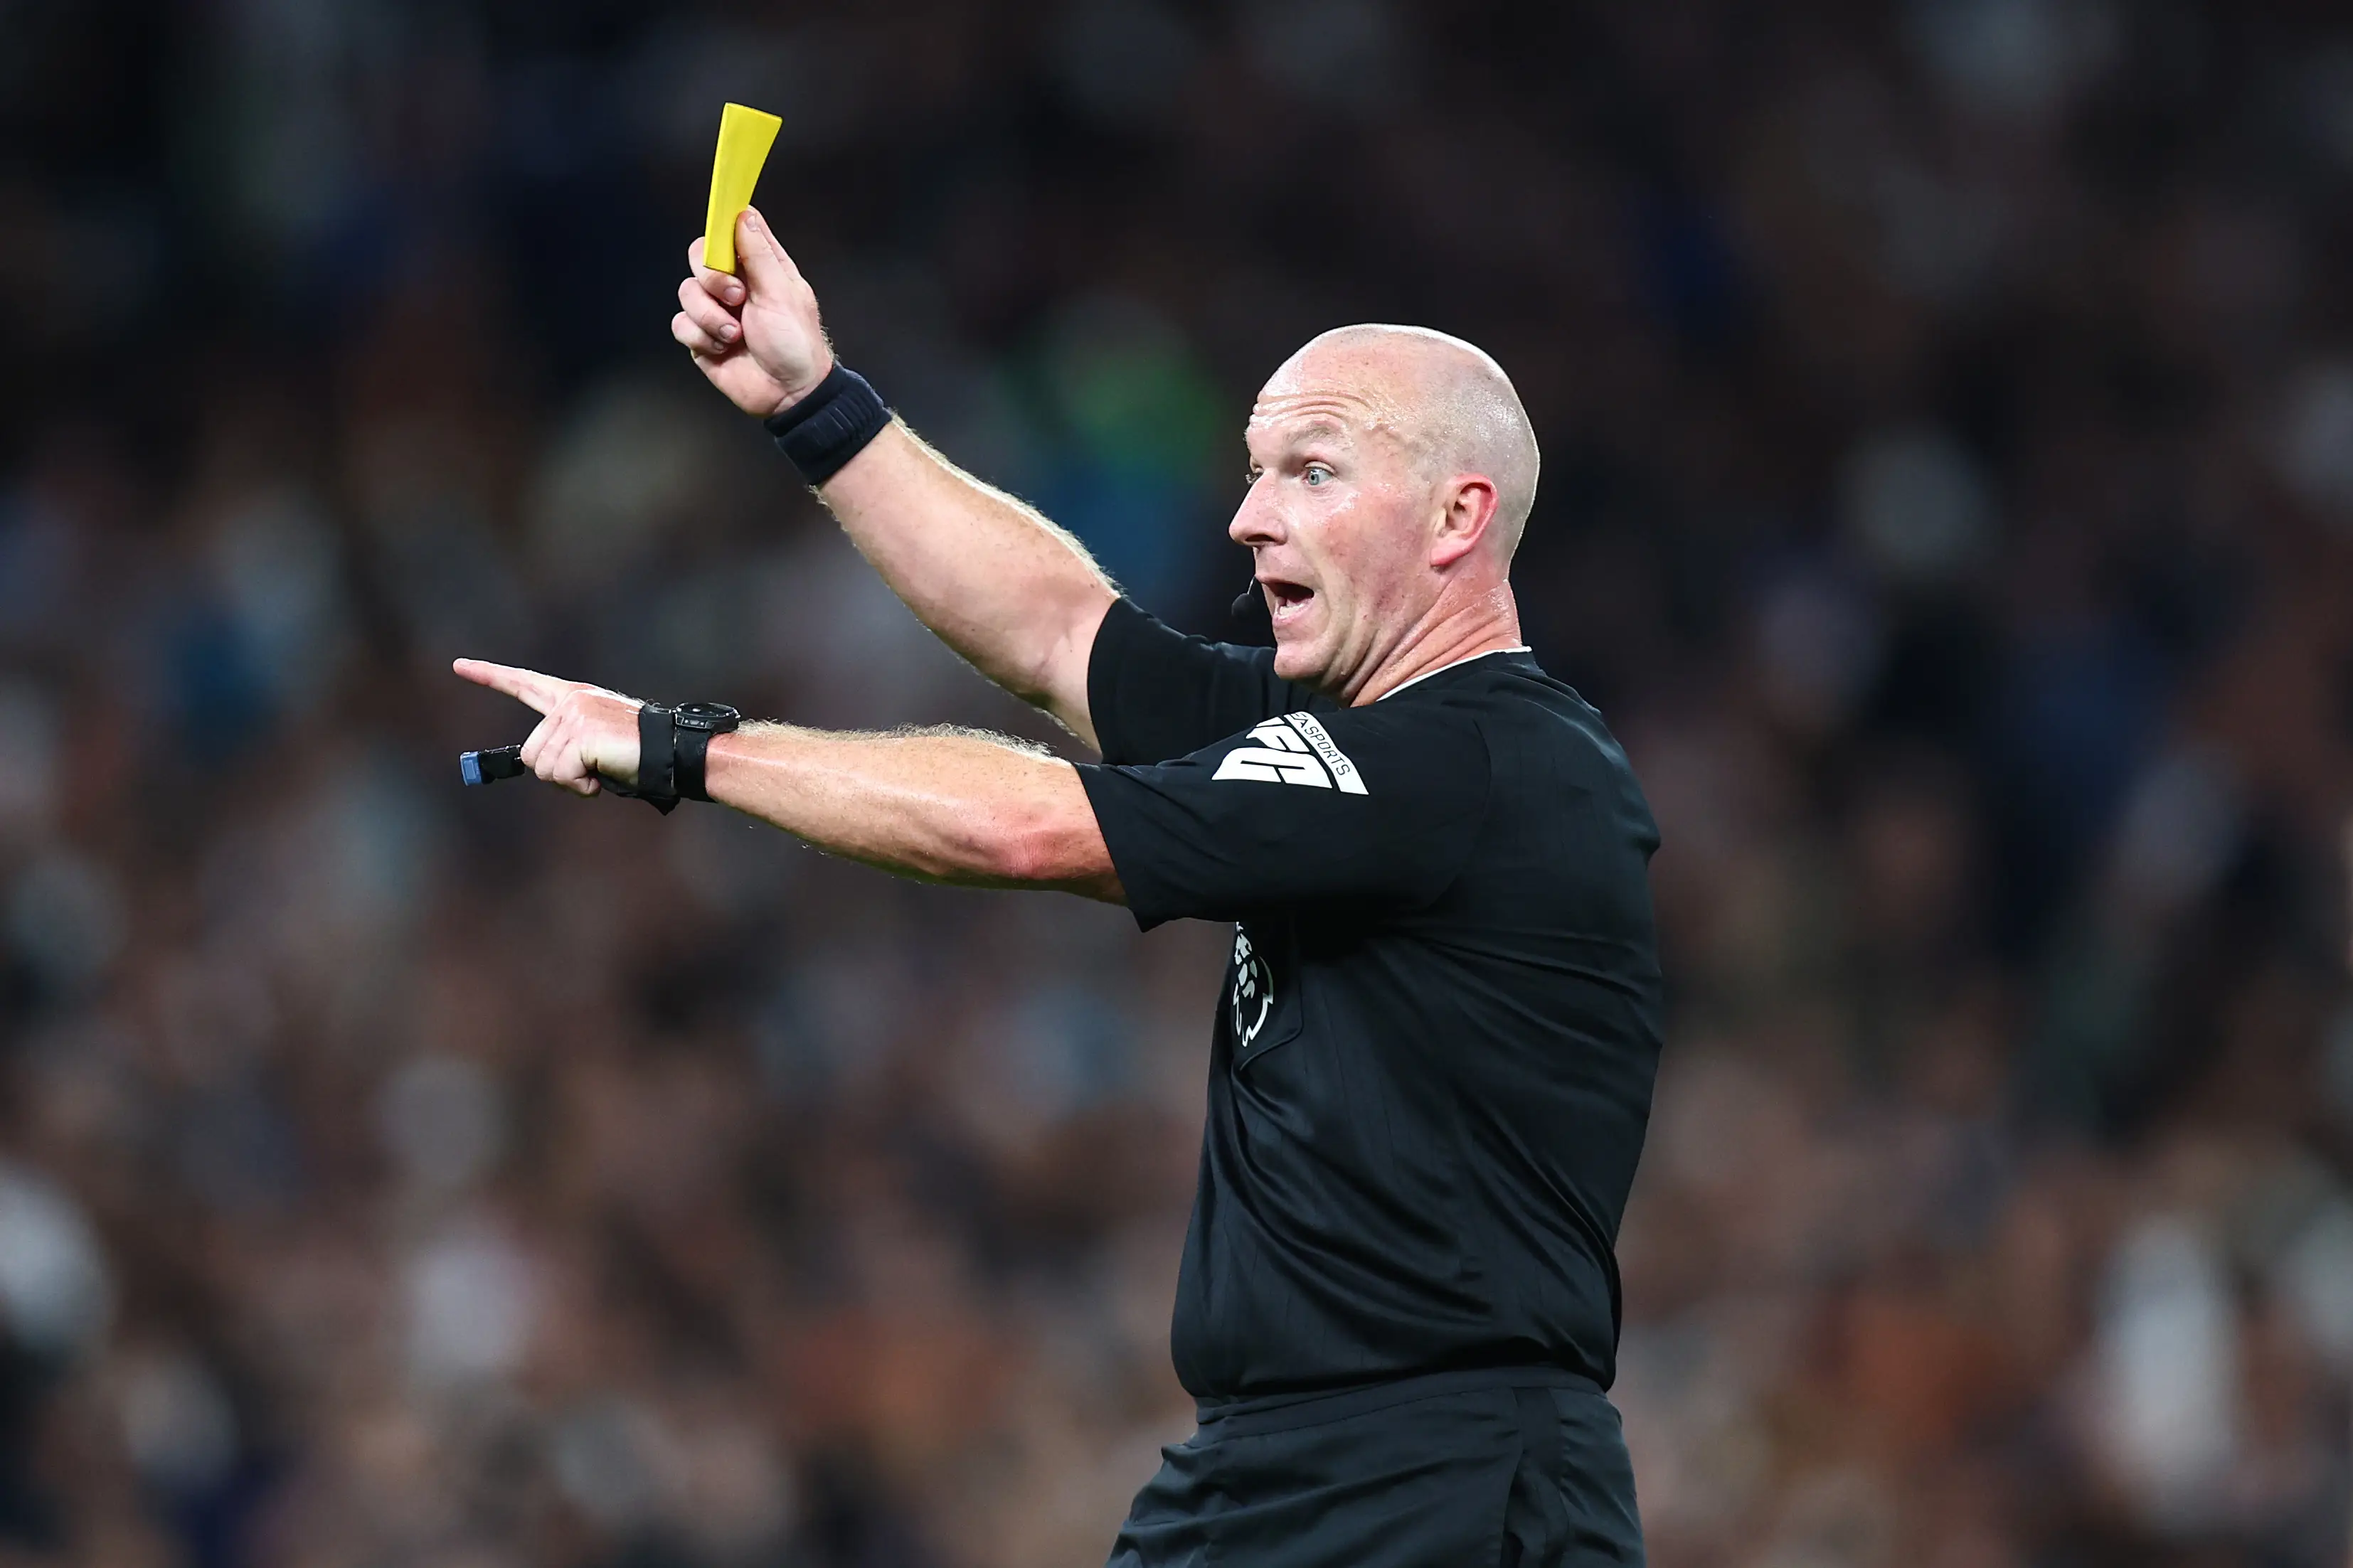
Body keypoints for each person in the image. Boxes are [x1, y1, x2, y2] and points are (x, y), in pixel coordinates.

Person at [455, 206, 1661, 1566]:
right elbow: (1058, 630)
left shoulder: (1477, 760)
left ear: (1459, 515)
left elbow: (1032, 831)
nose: (1250, 514)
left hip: (1436, 1486)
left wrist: (683, 748)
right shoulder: (1362, 742)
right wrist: (815, 403)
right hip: (1283, 1475)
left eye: (1313, 472)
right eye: (1259, 471)